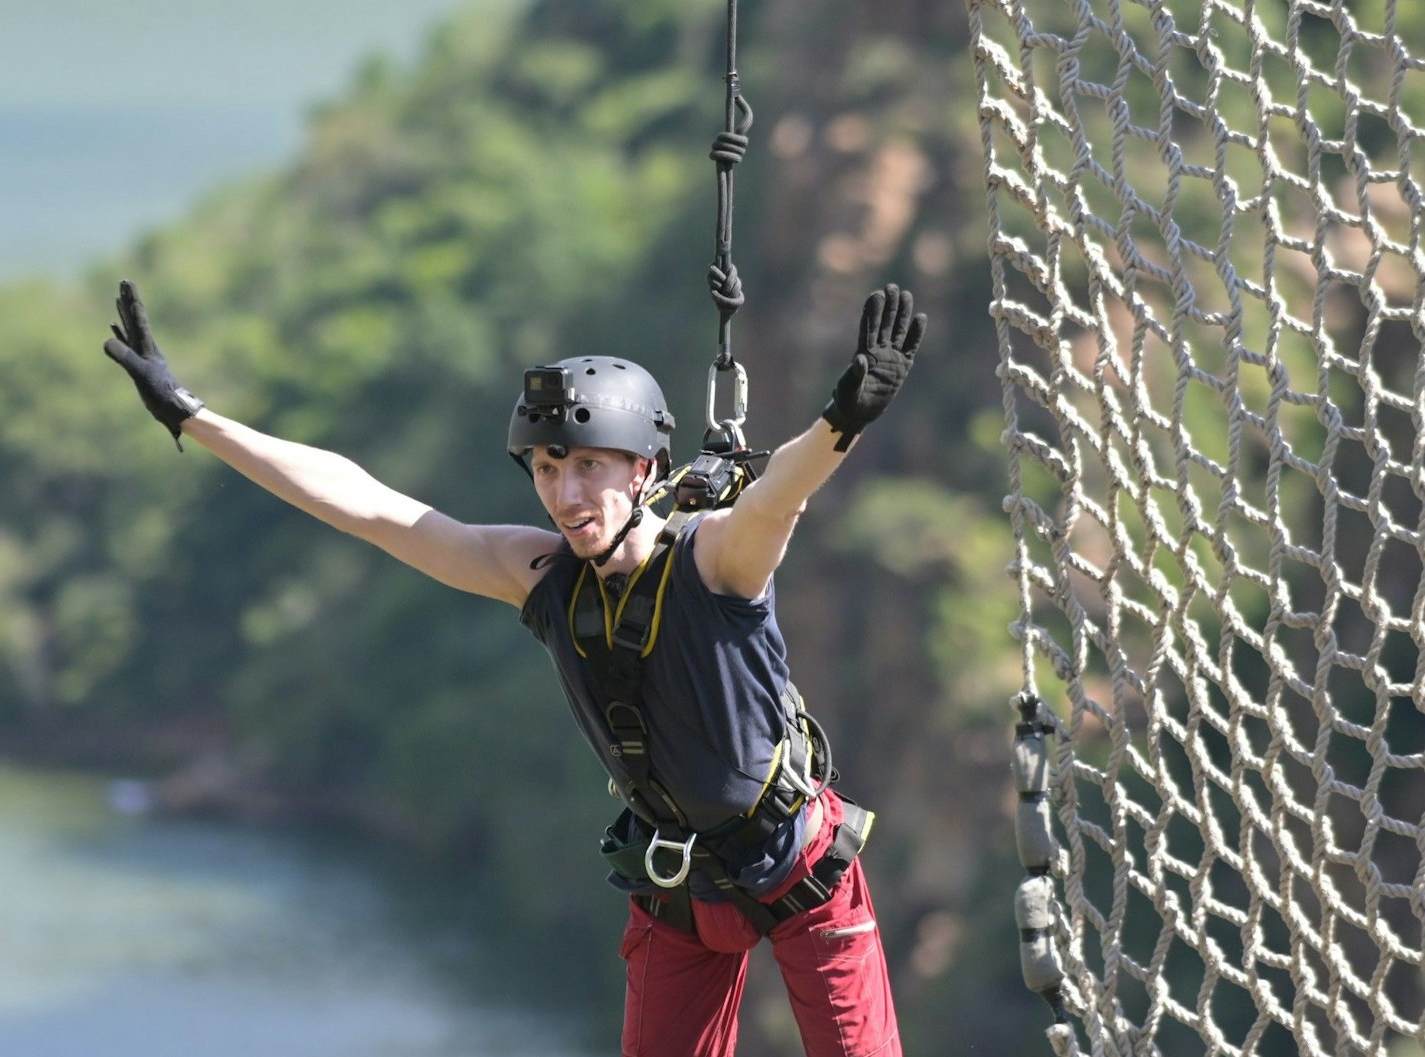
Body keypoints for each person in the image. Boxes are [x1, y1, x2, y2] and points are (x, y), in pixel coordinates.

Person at [101, 277, 924, 1057]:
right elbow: (371, 508)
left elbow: (776, 499)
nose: (566, 495)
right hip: (682, 884)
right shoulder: (542, 577)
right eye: (547, 469)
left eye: (588, 466)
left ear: (643, 468)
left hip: (798, 866)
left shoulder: (713, 560)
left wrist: (842, 420)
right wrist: (193, 416)